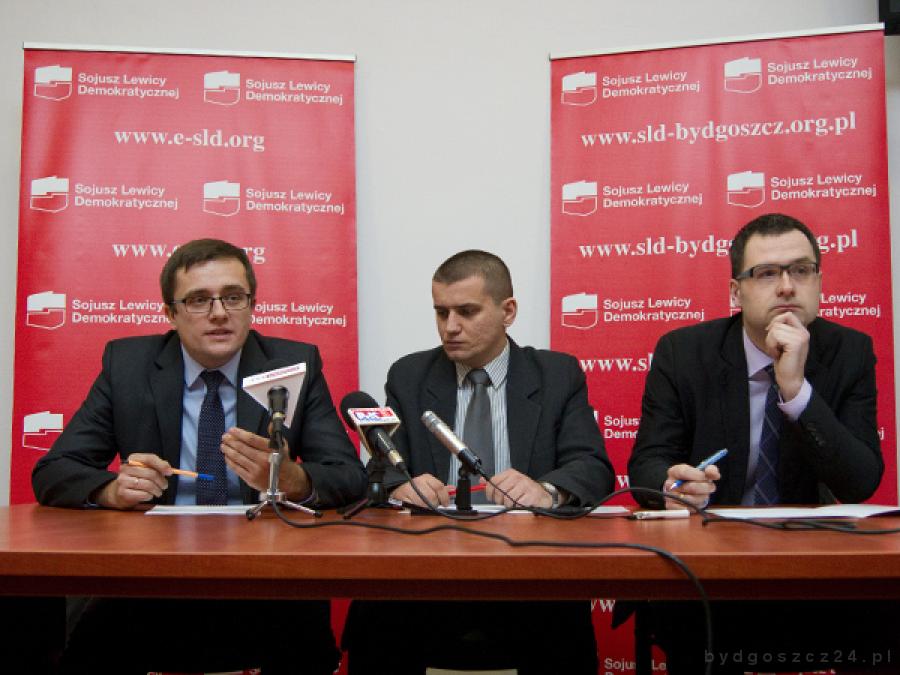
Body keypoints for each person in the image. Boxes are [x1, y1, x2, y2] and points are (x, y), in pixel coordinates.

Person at [33, 238, 367, 674]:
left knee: (307, 645)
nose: (219, 313)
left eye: (233, 297)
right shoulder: (128, 365)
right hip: (150, 576)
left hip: (264, 575)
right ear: (170, 314)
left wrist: (292, 479)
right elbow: (54, 471)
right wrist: (112, 489)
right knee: (85, 644)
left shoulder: (293, 363)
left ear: (252, 305)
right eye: (198, 300)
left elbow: (349, 476)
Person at [627, 213, 895, 673]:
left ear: (819, 282)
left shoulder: (848, 351)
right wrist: (673, 486)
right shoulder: (683, 352)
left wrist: (796, 391)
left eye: (801, 271)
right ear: (736, 292)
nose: (787, 287)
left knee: (885, 619)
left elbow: (860, 481)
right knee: (687, 623)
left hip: (817, 571)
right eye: (767, 273)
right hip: (709, 569)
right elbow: (648, 462)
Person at [343, 249, 614, 674]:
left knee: (558, 625)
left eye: (467, 312)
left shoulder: (556, 374)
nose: (450, 327)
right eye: (441, 312)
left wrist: (544, 490)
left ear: (508, 311)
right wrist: (401, 487)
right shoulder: (410, 375)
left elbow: (592, 466)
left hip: (529, 573)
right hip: (427, 571)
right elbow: (383, 466)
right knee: (379, 618)